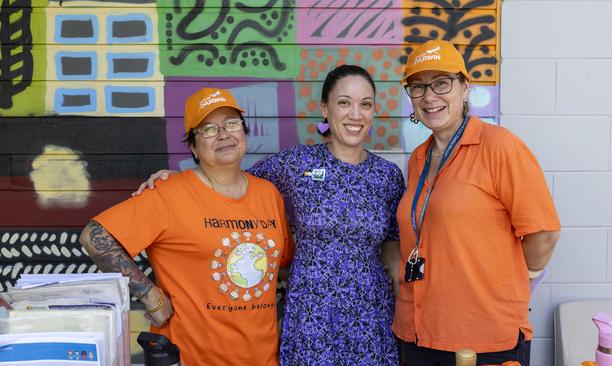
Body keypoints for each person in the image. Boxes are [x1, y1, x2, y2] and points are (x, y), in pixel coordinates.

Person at [135, 65, 405, 365]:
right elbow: (229, 180)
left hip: (370, 314)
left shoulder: (388, 176)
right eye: (344, 102)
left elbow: (393, 256)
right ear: (324, 109)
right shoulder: (297, 162)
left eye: (365, 104)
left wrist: (403, 316)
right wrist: (182, 178)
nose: (356, 114)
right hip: (310, 315)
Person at [79, 87, 294, 366]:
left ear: (244, 132)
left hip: (263, 358)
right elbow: (94, 236)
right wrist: (150, 295)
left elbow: (285, 260)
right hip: (192, 358)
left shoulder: (269, 194)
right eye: (208, 129)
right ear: (193, 146)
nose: (223, 134)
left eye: (231, 123)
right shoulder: (168, 194)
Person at [393, 40, 561, 366]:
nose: (429, 96)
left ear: (465, 87)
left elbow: (544, 232)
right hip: (417, 333)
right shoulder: (418, 158)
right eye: (418, 86)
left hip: (482, 337)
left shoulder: (499, 147)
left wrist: (510, 281)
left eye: (441, 83)